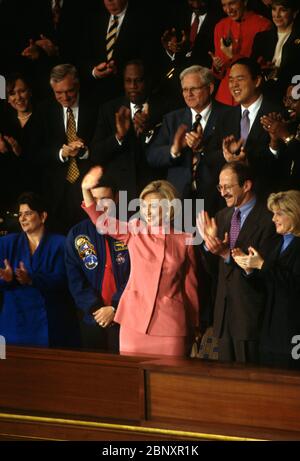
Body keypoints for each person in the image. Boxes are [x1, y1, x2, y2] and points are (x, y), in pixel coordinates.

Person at [81, 166, 200, 357]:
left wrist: (194, 325)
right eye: (144, 207)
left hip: (170, 326)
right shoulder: (134, 230)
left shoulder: (184, 239)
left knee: (168, 383)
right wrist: (85, 190)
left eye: (153, 206)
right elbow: (101, 222)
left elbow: (190, 288)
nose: (148, 212)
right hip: (133, 324)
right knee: (132, 381)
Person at [197, 162, 280, 363]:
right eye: (220, 187)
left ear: (246, 185)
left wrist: (226, 253)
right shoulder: (222, 217)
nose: (223, 193)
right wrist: (209, 247)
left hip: (252, 317)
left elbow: (268, 272)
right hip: (224, 318)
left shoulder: (270, 219)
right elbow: (213, 271)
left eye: (228, 187)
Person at [0, 192, 80, 347]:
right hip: (15, 323)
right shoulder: (6, 243)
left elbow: (64, 280)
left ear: (43, 216)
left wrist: (31, 279)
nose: (22, 219)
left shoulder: (61, 243)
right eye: (20, 214)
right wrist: (6, 279)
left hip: (53, 321)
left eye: (28, 214)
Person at [147, 65, 229, 215]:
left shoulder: (228, 116)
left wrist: (203, 150)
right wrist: (174, 151)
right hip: (178, 201)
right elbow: (152, 156)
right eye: (185, 89)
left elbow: (231, 157)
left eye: (194, 89)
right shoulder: (172, 119)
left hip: (215, 200)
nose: (188, 94)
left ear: (210, 88)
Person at [232, 190, 300, 369]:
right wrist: (249, 270)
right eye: (273, 213)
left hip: (293, 334)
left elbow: (293, 285)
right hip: (270, 333)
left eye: (279, 213)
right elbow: (266, 285)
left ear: (295, 214)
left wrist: (262, 265)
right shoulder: (276, 244)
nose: (273, 219)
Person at [29, 63, 98, 233]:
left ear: (78, 85)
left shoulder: (96, 106)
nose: (65, 97)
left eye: (69, 91)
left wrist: (85, 151)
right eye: (58, 93)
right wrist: (61, 153)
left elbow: (104, 145)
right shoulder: (44, 110)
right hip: (55, 194)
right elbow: (34, 153)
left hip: (88, 189)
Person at [65, 172, 130, 352]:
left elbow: (136, 274)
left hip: (127, 317)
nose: (99, 206)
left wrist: (115, 307)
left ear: (116, 198)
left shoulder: (130, 228)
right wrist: (96, 309)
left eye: (105, 199)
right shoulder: (77, 234)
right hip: (92, 318)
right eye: (94, 199)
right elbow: (75, 279)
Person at [90, 60, 168, 202]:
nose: (133, 87)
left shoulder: (165, 109)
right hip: (119, 196)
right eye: (128, 81)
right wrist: (119, 136)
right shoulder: (109, 109)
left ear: (148, 81)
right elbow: (96, 154)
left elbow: (169, 153)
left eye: (138, 81)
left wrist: (149, 132)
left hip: (154, 194)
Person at [207, 57, 284, 196]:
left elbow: (283, 162)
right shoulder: (225, 117)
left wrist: (248, 160)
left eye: (240, 79)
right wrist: (227, 156)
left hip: (265, 197)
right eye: (230, 80)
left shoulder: (276, 114)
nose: (234, 85)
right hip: (229, 201)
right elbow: (210, 156)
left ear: (257, 81)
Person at [210, 0, 271, 105]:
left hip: (251, 96)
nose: (228, 10)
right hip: (224, 98)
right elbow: (220, 73)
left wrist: (232, 56)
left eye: (232, 3)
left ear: (245, 2)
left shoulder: (263, 25)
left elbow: (259, 68)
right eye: (224, 5)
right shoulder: (220, 26)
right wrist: (217, 66)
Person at [251, 0, 300, 103]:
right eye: (274, 9)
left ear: (294, 13)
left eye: (283, 10)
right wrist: (260, 68)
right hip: (263, 95)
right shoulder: (261, 38)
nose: (277, 15)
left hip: (290, 96)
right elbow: (252, 68)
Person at [0, 73, 35, 214]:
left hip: (38, 186)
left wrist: (20, 151)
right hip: (9, 191)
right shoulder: (5, 121)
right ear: (7, 99)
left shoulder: (44, 116)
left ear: (30, 92)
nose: (18, 97)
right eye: (12, 93)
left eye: (22, 91)